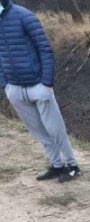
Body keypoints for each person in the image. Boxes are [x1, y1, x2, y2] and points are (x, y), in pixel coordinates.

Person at [0, 0, 81, 182]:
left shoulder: (24, 16)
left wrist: (46, 83)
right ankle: (56, 165)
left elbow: (45, 49)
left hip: (38, 86)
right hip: (14, 89)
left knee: (55, 128)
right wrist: (5, 84)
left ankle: (73, 166)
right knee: (36, 129)